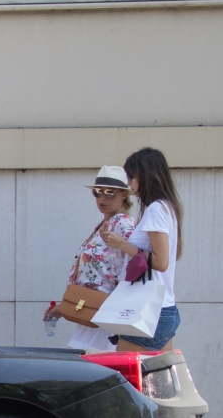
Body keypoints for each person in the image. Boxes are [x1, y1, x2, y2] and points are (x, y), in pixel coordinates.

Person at [43, 166, 136, 352]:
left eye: (110, 193)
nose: (102, 198)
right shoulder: (106, 223)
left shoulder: (123, 223)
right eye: (98, 192)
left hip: (104, 315)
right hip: (92, 313)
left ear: (124, 195)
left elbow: (129, 268)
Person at [101, 147, 183, 352]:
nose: (128, 183)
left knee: (125, 378)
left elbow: (161, 262)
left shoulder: (156, 209)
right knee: (159, 380)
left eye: (130, 177)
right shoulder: (168, 207)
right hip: (163, 308)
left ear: (145, 176)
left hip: (147, 309)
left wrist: (122, 244)